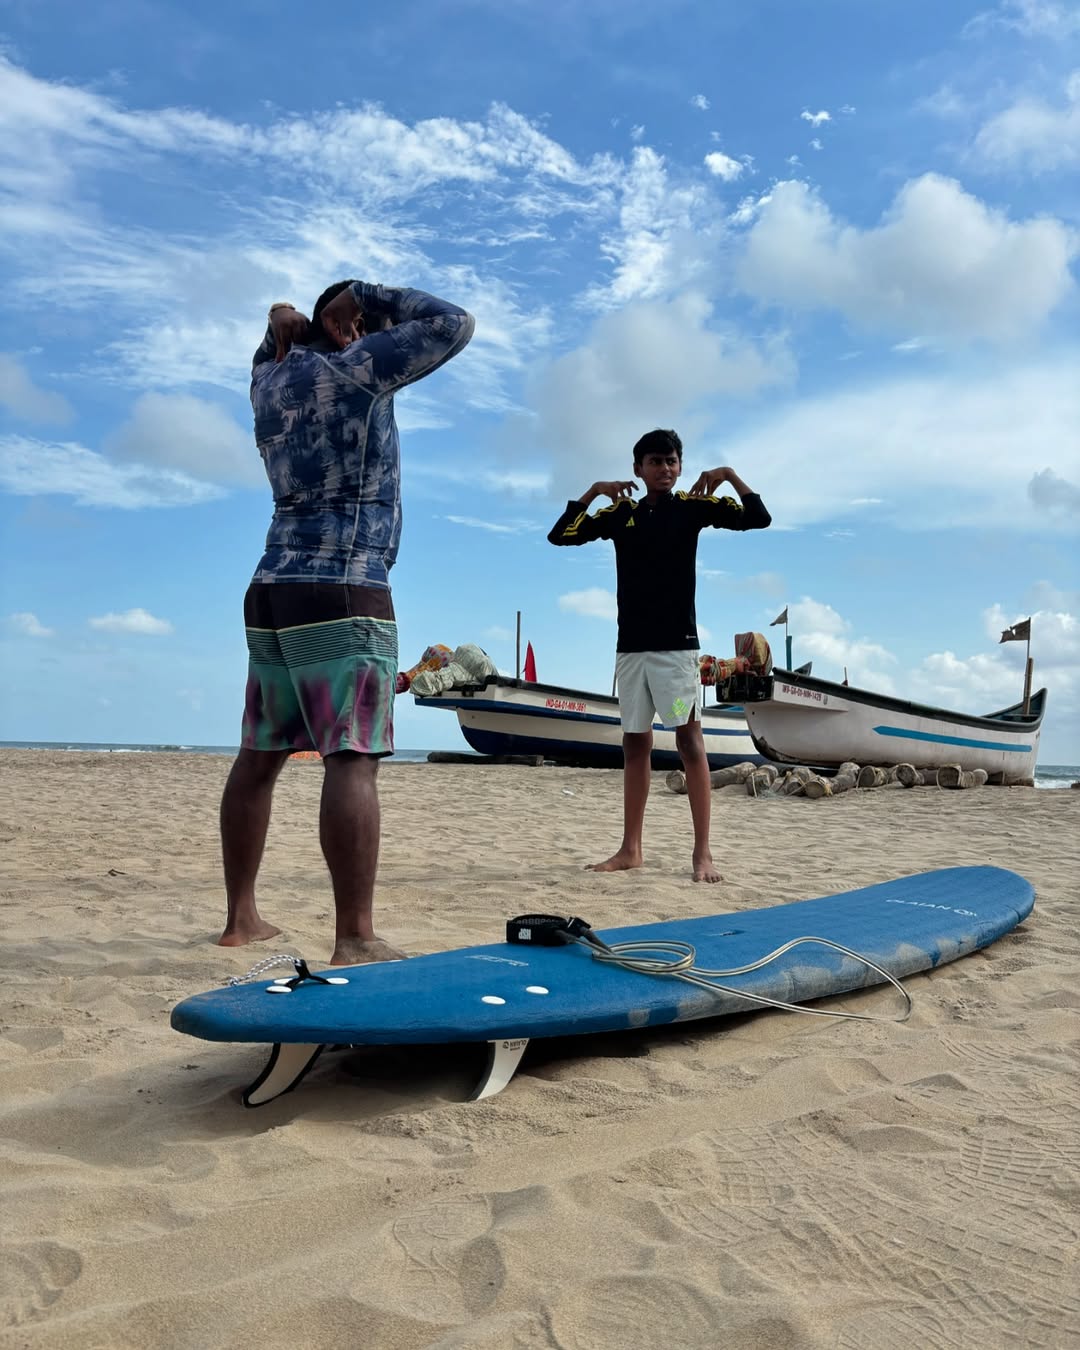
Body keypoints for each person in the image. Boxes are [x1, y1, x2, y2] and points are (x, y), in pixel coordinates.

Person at [218, 280, 474, 963]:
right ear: (346, 327)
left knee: (260, 755)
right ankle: (355, 936)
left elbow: (271, 338)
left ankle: (241, 917)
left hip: (272, 584)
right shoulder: (356, 368)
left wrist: (284, 320)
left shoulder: (268, 380)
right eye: (360, 323)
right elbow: (453, 322)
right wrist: (361, 297)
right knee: (353, 756)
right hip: (345, 581)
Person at [547, 428, 771, 882]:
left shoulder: (691, 508)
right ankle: (630, 850)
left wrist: (728, 475)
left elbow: (757, 517)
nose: (664, 469)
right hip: (631, 652)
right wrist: (593, 491)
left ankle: (703, 853)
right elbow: (560, 536)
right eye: (654, 462)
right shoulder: (620, 514)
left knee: (689, 742)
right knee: (635, 742)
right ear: (638, 469)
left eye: (671, 461)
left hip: (675, 653)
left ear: (680, 466)